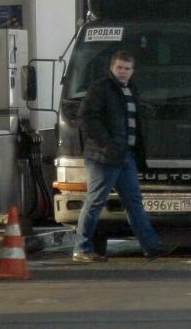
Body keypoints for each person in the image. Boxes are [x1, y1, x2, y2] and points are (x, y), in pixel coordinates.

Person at [73, 49, 169, 262]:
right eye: (119, 68)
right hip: (103, 157)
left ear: (133, 71)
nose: (123, 72)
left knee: (134, 201)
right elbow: (86, 118)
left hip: (125, 155)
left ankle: (151, 247)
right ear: (111, 67)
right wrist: (106, 145)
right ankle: (81, 248)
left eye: (127, 68)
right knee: (96, 200)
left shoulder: (130, 90)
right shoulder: (101, 88)